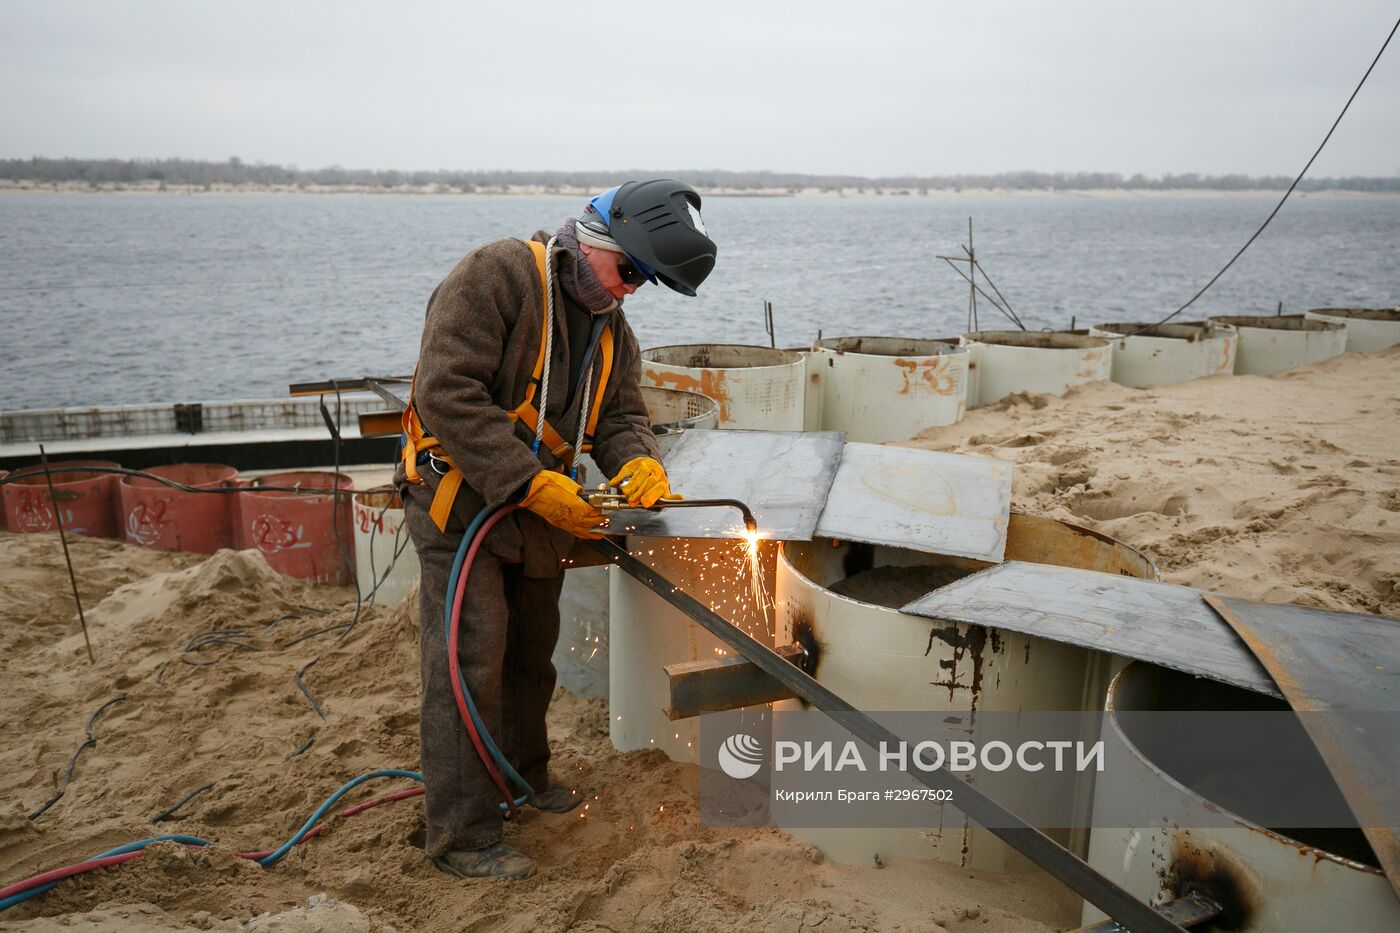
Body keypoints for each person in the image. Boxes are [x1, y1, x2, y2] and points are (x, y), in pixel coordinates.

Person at [395, 180, 717, 879]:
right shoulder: (498, 275)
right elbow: (445, 389)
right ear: (596, 239)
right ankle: (462, 835)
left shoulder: (610, 331)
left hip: (531, 514)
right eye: (629, 271)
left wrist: (641, 467)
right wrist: (531, 481)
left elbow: (622, 418)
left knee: (529, 653)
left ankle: (520, 779)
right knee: (468, 662)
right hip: (462, 502)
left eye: (645, 282)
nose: (630, 290)